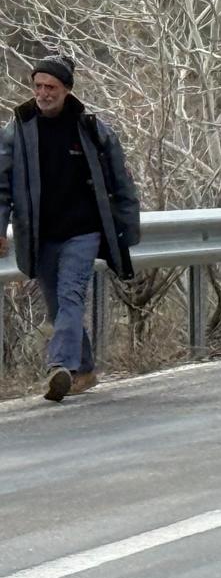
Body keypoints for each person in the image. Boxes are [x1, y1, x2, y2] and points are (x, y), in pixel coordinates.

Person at [0, 56, 141, 402]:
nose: (43, 93)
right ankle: (86, 369)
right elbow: (1, 184)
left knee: (70, 295)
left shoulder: (90, 127)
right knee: (57, 306)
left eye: (51, 87)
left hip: (84, 230)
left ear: (66, 90)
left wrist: (126, 224)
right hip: (41, 233)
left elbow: (121, 180)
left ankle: (60, 366)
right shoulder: (19, 128)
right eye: (38, 86)